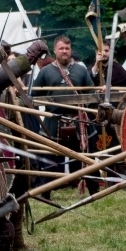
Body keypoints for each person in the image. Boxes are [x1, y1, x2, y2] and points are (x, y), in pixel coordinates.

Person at [31, 35, 99, 197]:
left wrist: (93, 105)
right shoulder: (46, 72)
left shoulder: (81, 70)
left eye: (67, 49)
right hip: (54, 122)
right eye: (61, 48)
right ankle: (45, 192)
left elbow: (91, 93)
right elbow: (33, 94)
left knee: (86, 156)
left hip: (79, 121)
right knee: (49, 158)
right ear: (55, 50)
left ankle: (93, 190)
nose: (64, 52)